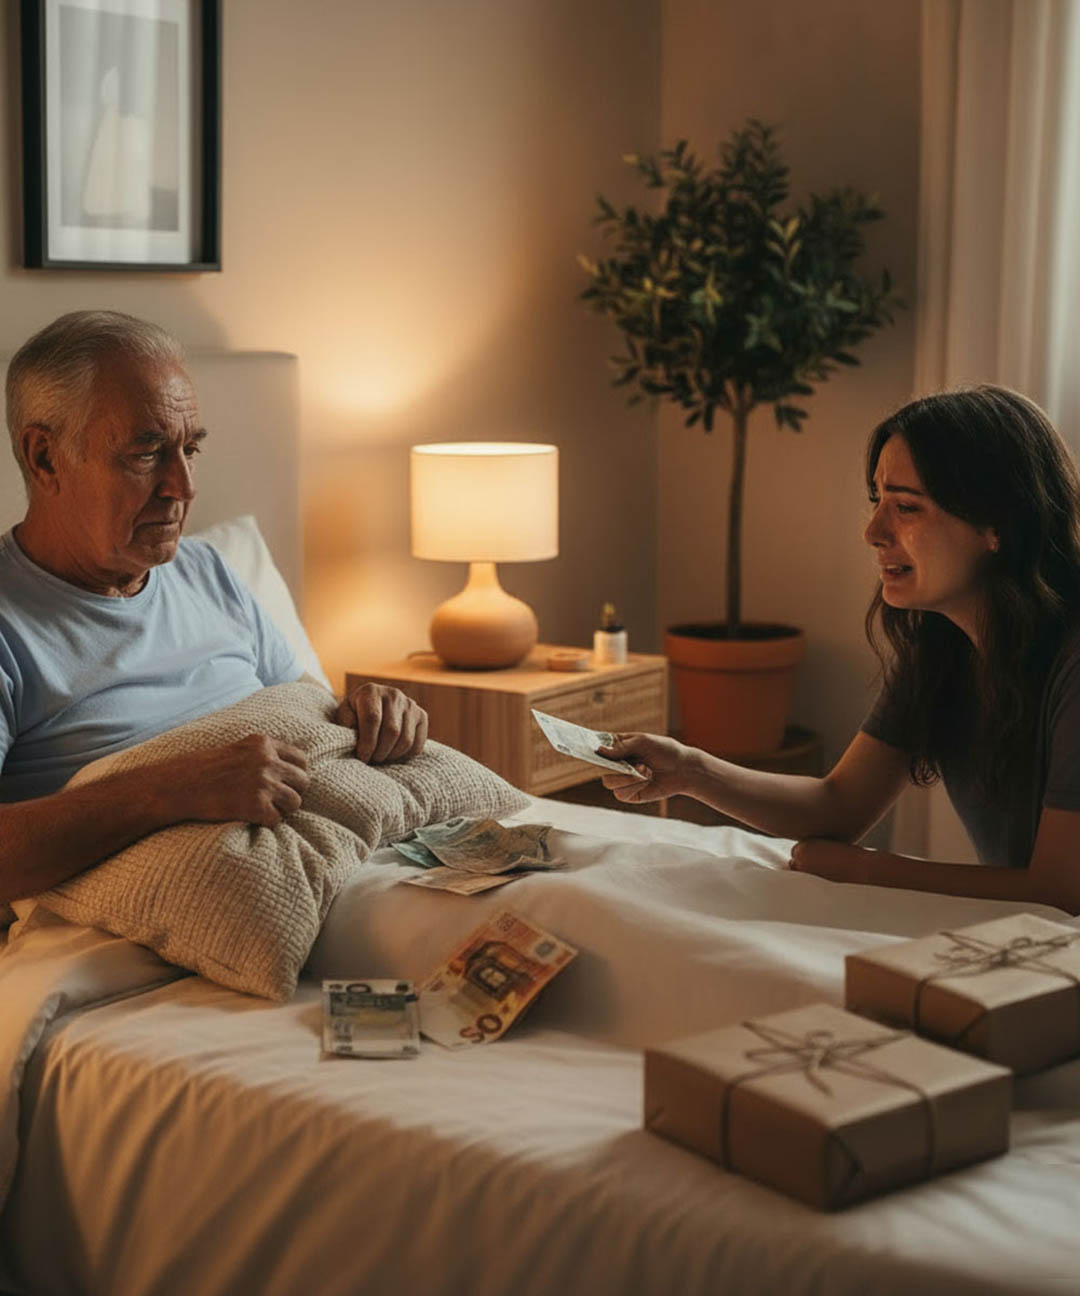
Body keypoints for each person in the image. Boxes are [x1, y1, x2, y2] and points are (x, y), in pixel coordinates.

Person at [0, 310, 427, 907]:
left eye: (190, 449)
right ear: (45, 457)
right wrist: (170, 790)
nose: (183, 487)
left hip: (344, 872)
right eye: (146, 453)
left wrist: (364, 712)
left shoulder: (206, 570)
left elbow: (305, 713)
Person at [599, 385, 1080, 915]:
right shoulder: (943, 647)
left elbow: (1062, 890)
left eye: (906, 507)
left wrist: (869, 871)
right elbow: (839, 806)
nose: (873, 531)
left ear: (998, 526)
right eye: (878, 502)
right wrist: (688, 770)